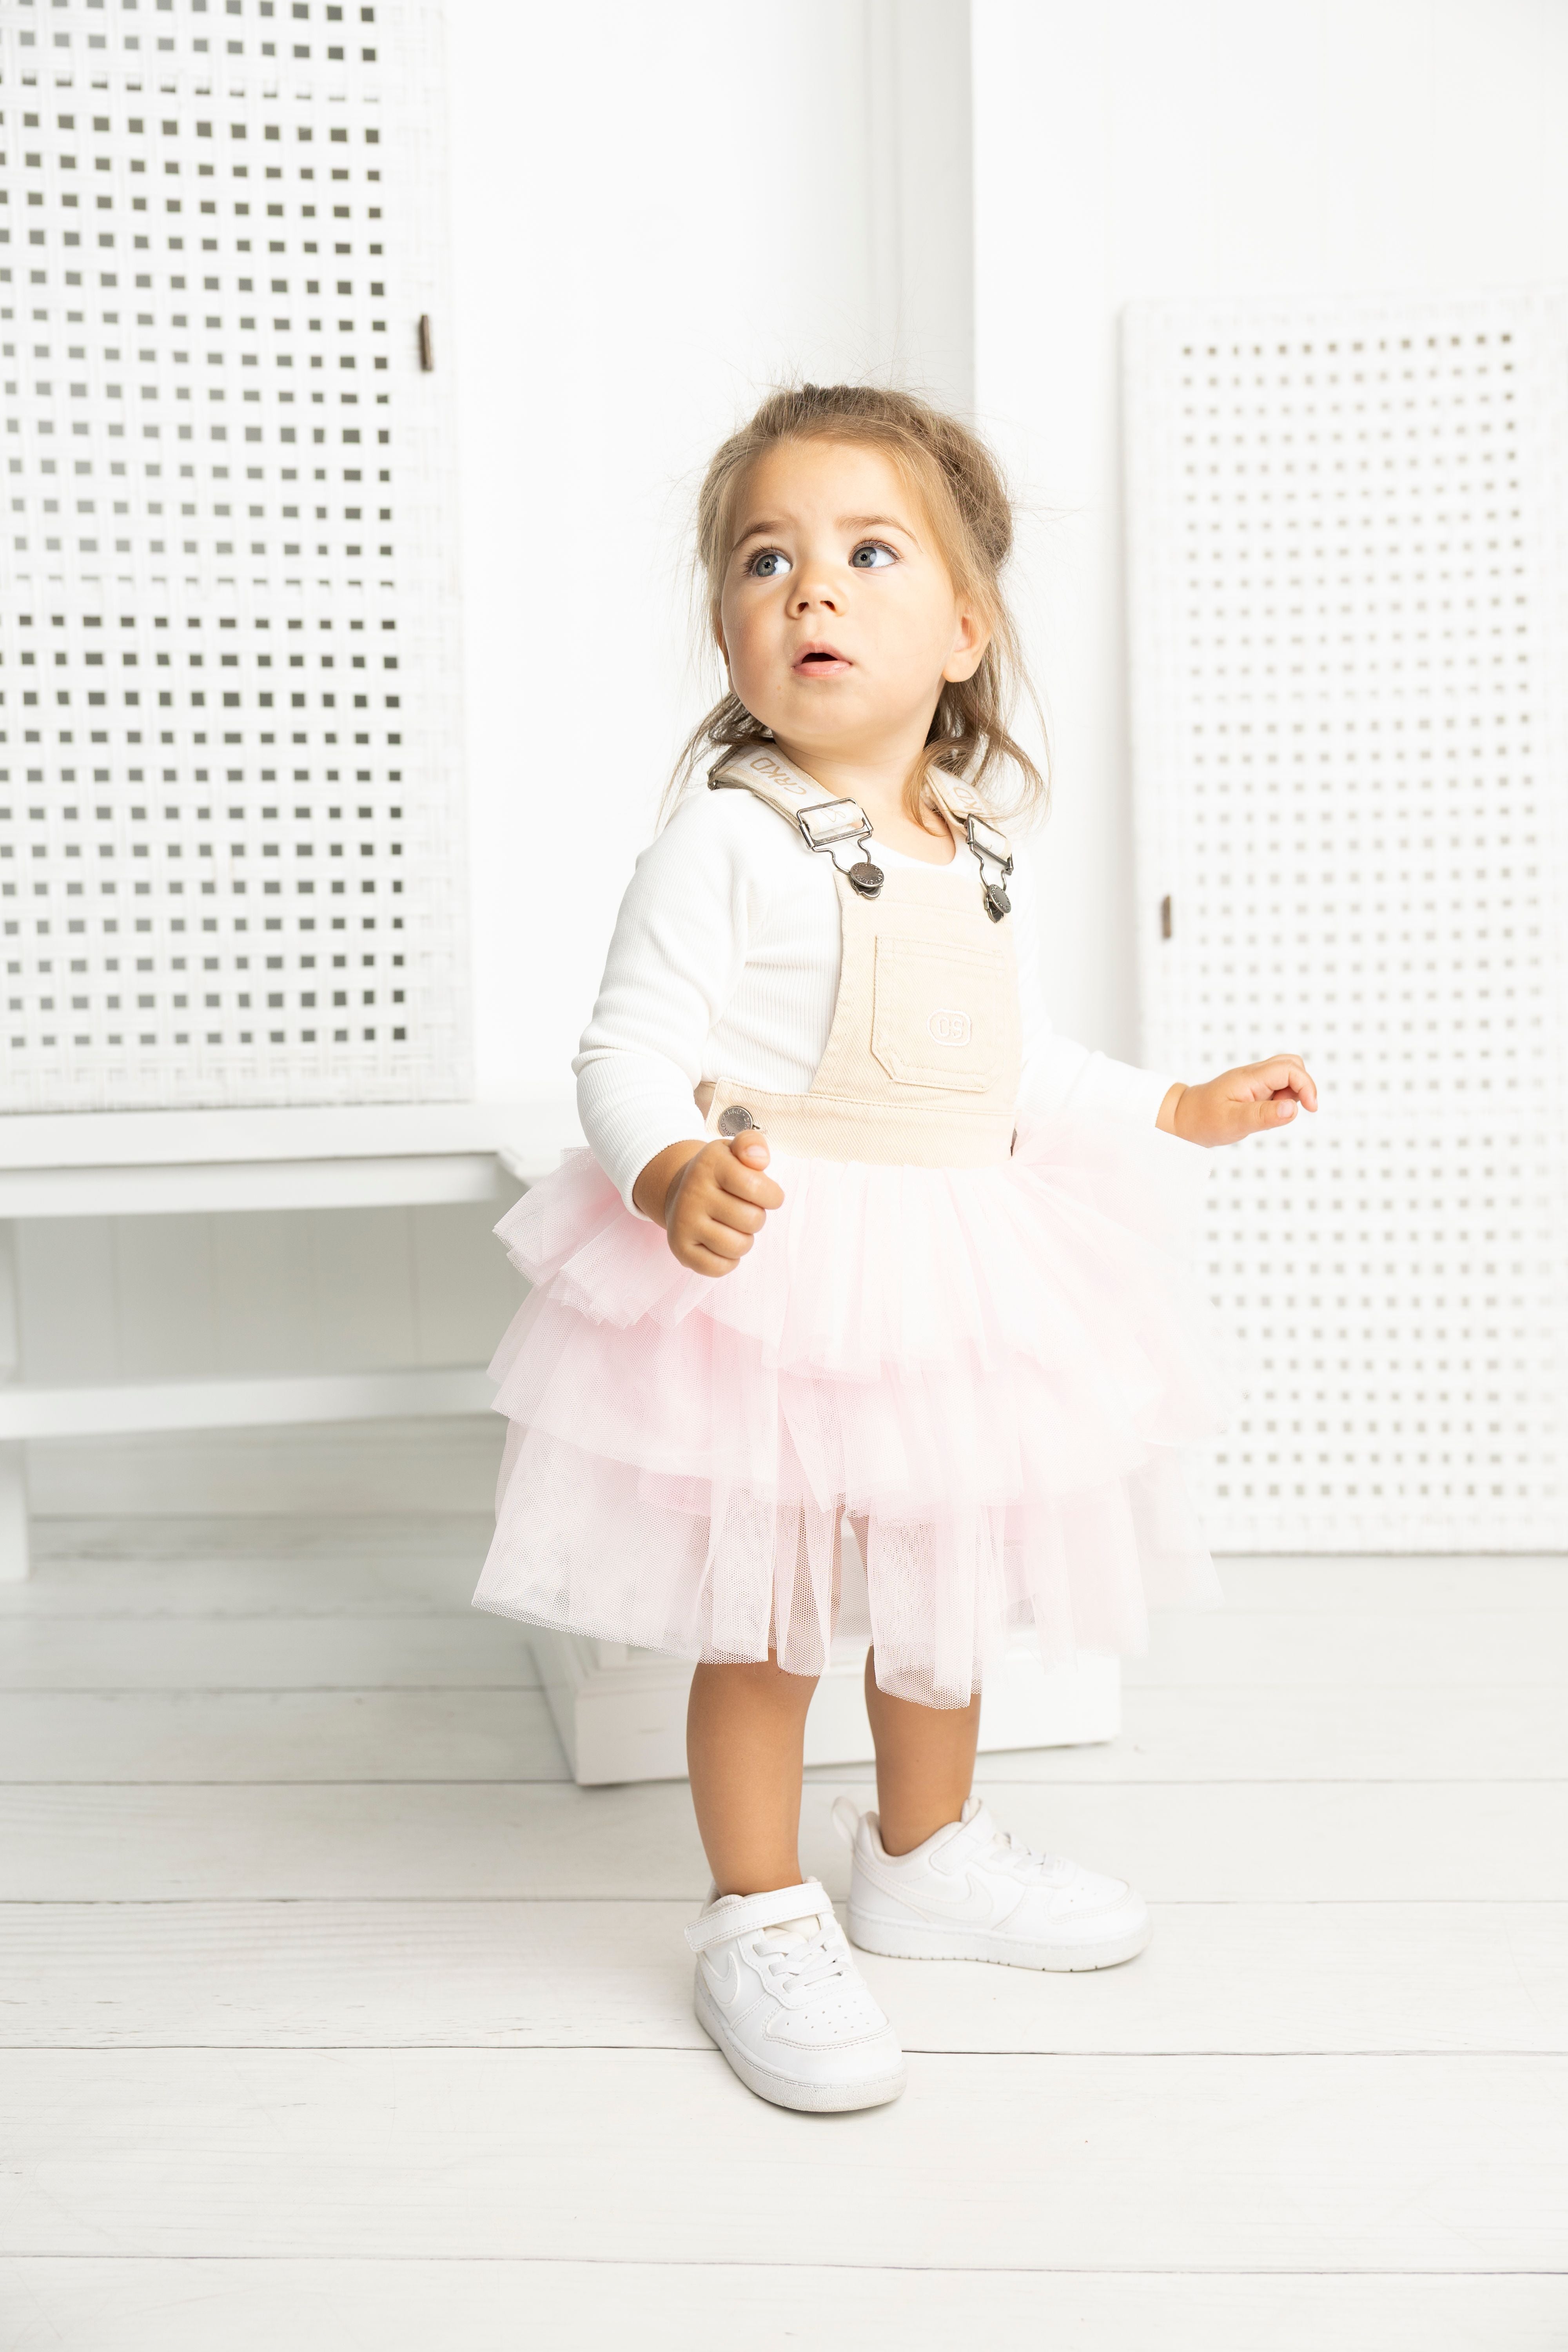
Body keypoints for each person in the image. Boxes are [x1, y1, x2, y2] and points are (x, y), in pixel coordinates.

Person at [473, 384, 1316, 2114]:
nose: (810, 588)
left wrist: (1175, 1106)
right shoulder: (727, 836)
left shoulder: (983, 852)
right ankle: (758, 1907)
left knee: (943, 1588)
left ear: (963, 629)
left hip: (949, 1279)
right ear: (728, 626)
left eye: (869, 554)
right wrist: (669, 1171)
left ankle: (923, 1857)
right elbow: (623, 1053)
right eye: (764, 559)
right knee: (767, 1617)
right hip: (781, 1274)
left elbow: (1013, 1068)